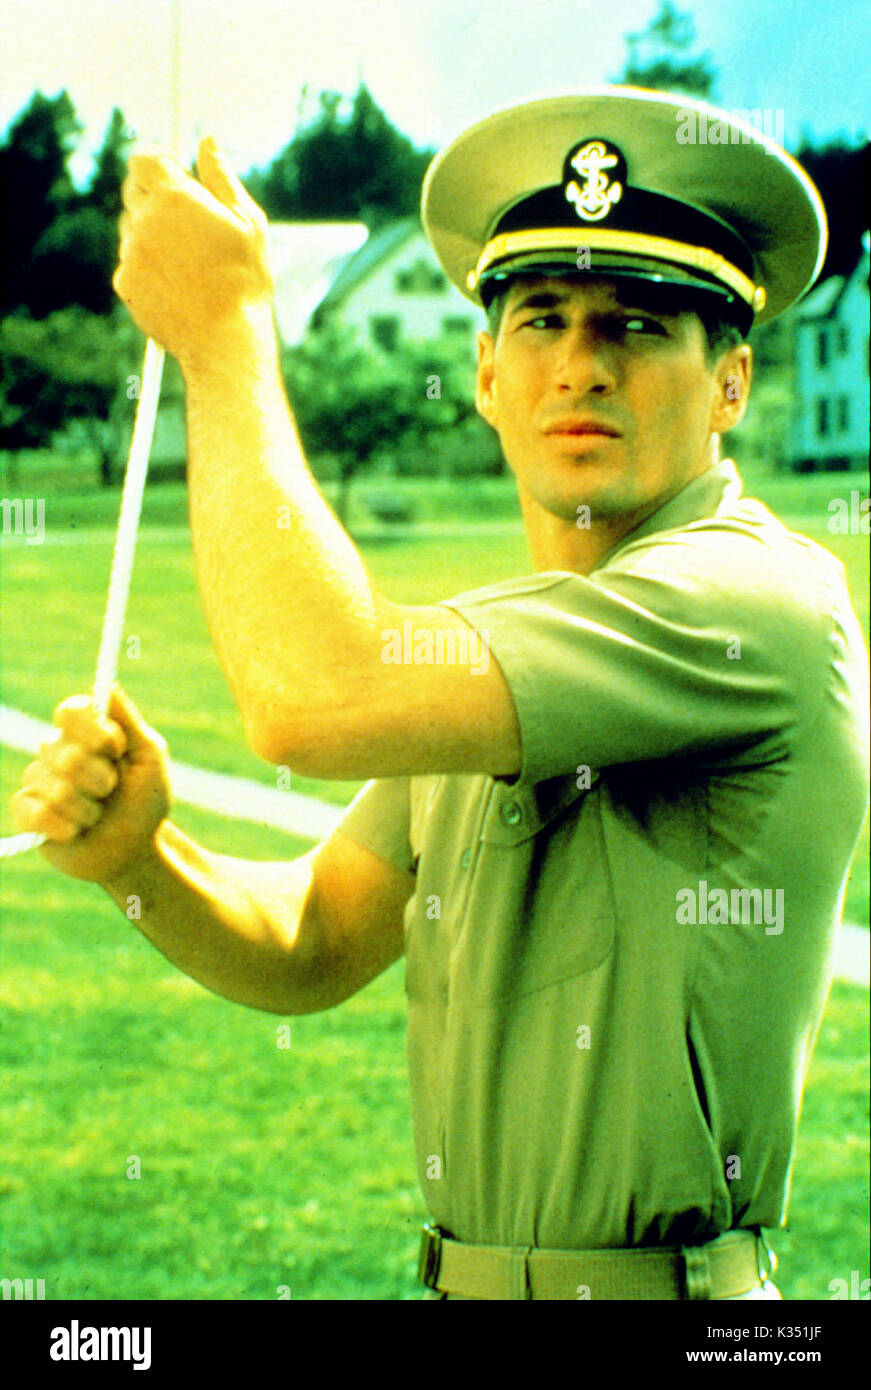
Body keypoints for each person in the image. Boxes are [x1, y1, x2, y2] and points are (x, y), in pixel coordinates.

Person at [12, 88, 869, 1300]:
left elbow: (310, 692)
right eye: (542, 317)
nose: (581, 361)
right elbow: (316, 936)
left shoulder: (754, 603)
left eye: (638, 324)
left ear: (729, 384)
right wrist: (141, 862)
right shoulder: (496, 656)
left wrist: (223, 333)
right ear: (482, 372)